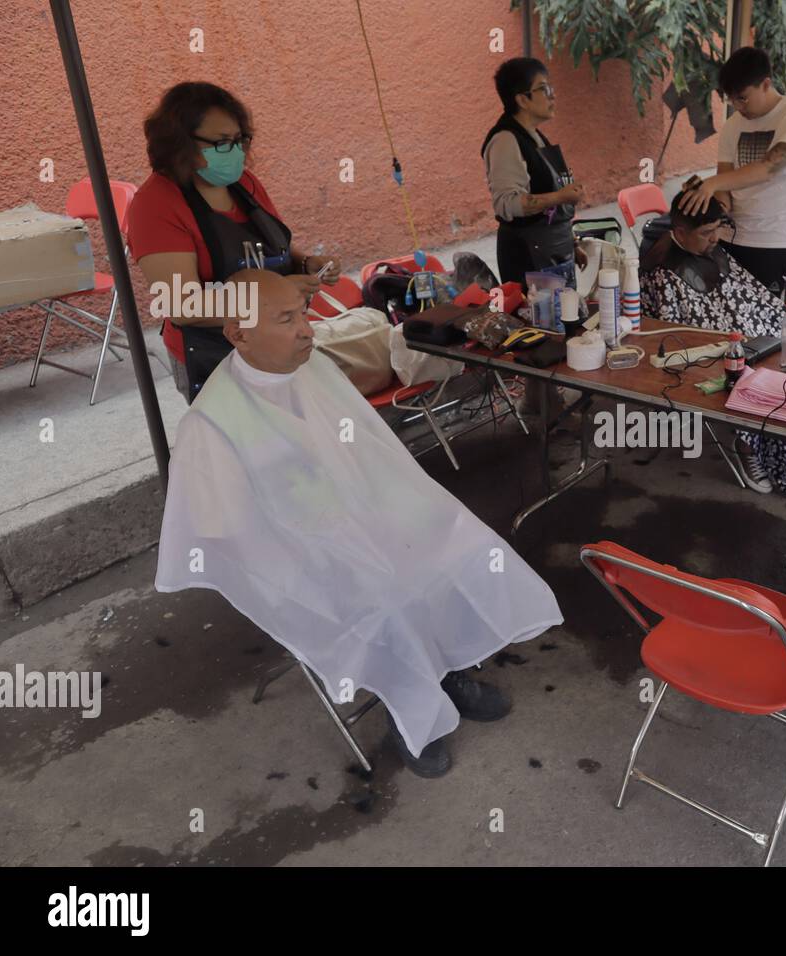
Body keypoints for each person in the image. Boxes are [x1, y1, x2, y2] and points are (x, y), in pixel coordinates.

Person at [154, 270, 563, 777]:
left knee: (464, 545)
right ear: (238, 334)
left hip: (365, 515)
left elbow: (372, 452)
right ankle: (414, 712)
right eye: (287, 320)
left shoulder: (313, 368)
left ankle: (448, 668)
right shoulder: (211, 421)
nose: (307, 329)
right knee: (388, 597)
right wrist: (310, 537)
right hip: (301, 558)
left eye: (303, 314)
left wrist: (397, 515)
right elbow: (224, 530)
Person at [129, 82, 343, 403]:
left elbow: (269, 246)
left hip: (279, 343)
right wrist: (279, 297)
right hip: (216, 356)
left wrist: (303, 263)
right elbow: (182, 304)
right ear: (180, 143)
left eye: (240, 139)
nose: (237, 151)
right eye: (222, 142)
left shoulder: (243, 183)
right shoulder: (156, 205)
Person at [640, 191, 786, 497]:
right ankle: (748, 447)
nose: (715, 239)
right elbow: (675, 331)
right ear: (681, 232)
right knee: (749, 370)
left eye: (717, 230)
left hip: (747, 323)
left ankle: (782, 429)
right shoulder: (662, 268)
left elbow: (748, 293)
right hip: (714, 342)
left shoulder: (709, 248)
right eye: (706, 233)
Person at [677, 47, 786, 294]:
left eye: (742, 98)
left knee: (764, 323)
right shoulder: (733, 125)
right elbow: (726, 193)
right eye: (731, 99)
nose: (737, 106)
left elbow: (769, 168)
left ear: (766, 84)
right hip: (728, 239)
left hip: (773, 241)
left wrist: (713, 183)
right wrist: (707, 200)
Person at [482, 57, 585, 286]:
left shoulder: (535, 136)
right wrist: (562, 196)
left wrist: (573, 243)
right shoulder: (505, 140)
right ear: (522, 100)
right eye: (543, 88)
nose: (552, 95)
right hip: (528, 256)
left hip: (554, 249)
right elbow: (507, 203)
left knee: (566, 317)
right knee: (541, 320)